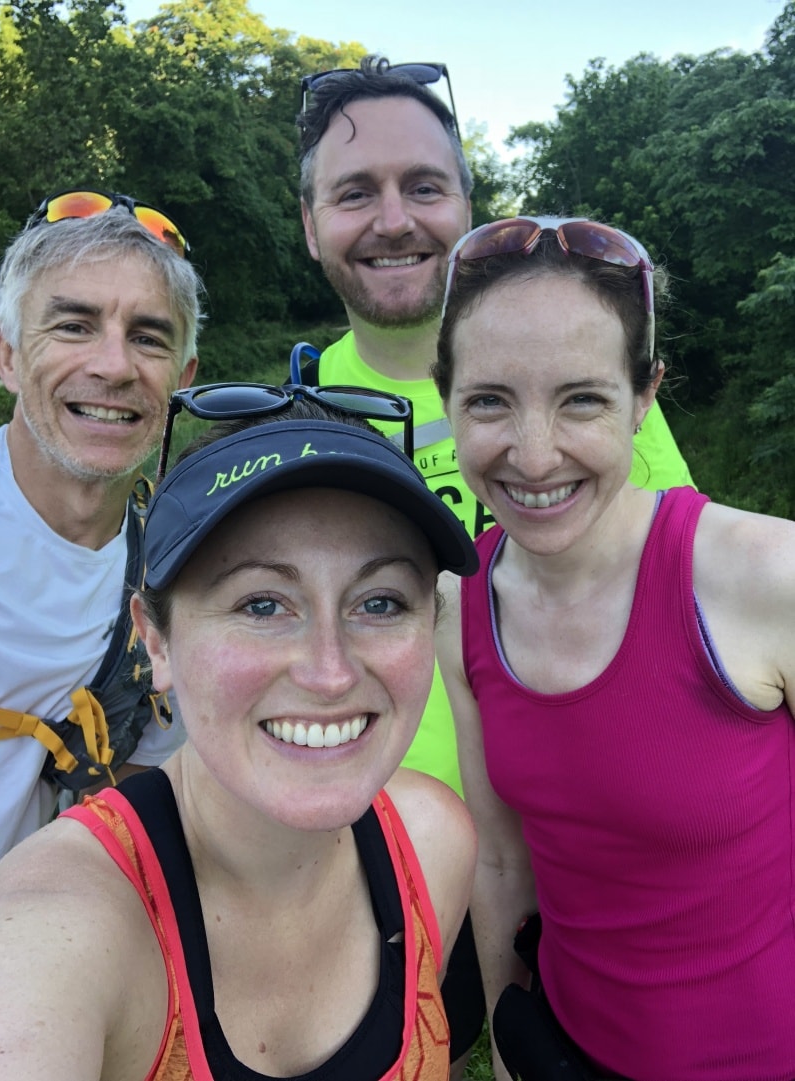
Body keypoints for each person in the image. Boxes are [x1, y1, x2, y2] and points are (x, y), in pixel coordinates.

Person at [296, 56, 695, 1072]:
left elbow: (685, 599)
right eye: (355, 192)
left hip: (586, 856)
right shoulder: (294, 421)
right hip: (371, 870)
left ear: (466, 208)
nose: (393, 219)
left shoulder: (580, 376)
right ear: (309, 224)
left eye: (423, 186)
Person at [0, 390, 479, 1080]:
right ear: (156, 640)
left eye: (380, 601)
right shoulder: (50, 938)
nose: (330, 672)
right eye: (263, 604)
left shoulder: (432, 846)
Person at [433, 215, 795, 1081]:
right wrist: (510, 1042)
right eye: (489, 400)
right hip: (569, 1051)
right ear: (445, 397)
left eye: (582, 400)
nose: (533, 455)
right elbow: (501, 860)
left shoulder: (766, 575)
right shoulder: (460, 601)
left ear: (645, 396)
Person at [0, 189, 201, 875]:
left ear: (182, 380)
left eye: (148, 337)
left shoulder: (176, 577)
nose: (114, 365)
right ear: (8, 355)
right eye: (74, 326)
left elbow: (137, 790)